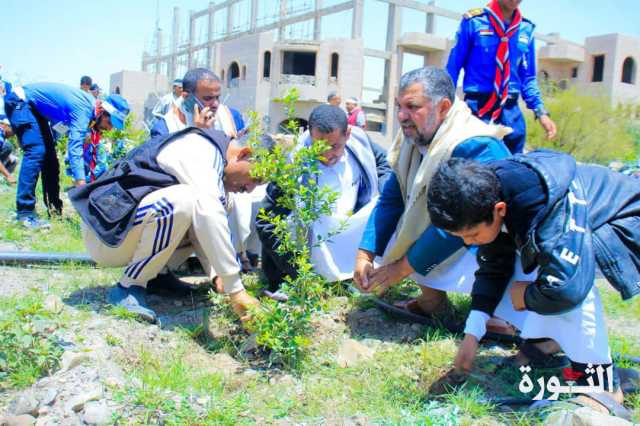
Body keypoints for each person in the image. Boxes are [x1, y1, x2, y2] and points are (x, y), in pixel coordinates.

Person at [426, 151, 640, 419]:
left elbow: (568, 287)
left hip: (628, 224)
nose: (469, 242)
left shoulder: (545, 203)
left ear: (499, 210)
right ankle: (545, 342)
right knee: (520, 265)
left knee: (552, 275)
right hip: (578, 236)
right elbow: (493, 266)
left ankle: (602, 386)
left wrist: (526, 295)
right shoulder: (487, 194)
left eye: (473, 234)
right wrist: (473, 334)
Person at [353, 66, 514, 327]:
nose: (402, 116)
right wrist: (365, 255)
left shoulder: (475, 144)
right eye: (399, 106)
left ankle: (502, 314)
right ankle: (433, 302)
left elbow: (458, 228)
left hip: (489, 243)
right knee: (406, 222)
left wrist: (400, 269)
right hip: (453, 238)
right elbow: (393, 199)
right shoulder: (415, 139)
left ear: (443, 107)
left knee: (436, 232)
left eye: (412, 106)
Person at [69, 127, 272, 324]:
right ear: (244, 153)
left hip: (126, 231)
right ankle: (128, 287)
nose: (250, 188)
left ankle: (158, 277)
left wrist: (217, 276)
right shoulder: (197, 148)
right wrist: (236, 289)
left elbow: (204, 226)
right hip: (107, 238)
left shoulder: (215, 161)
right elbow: (208, 213)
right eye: (254, 178)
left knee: (219, 203)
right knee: (184, 201)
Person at [258, 105, 391, 297]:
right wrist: (300, 273)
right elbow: (266, 222)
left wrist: (383, 193)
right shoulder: (293, 164)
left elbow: (384, 163)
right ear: (310, 135)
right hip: (307, 247)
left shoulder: (360, 143)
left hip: (346, 231)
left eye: (335, 146)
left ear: (348, 134)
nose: (327, 154)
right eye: (318, 146)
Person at [4, 83, 130, 228]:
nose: (110, 128)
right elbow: (74, 149)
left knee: (51, 160)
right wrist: (81, 185)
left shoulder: (89, 114)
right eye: (110, 122)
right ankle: (25, 213)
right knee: (36, 151)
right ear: (102, 111)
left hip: (35, 110)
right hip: (21, 102)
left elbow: (59, 126)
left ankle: (55, 211)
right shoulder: (83, 109)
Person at [446, 0, 557, 154]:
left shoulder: (526, 29)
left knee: (513, 168)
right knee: (474, 167)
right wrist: (445, 104)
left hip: (511, 111)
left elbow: (528, 78)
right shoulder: (474, 21)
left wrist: (541, 112)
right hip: (478, 108)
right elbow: (453, 67)